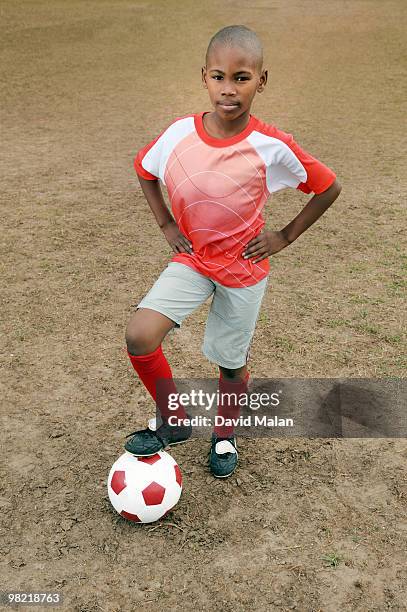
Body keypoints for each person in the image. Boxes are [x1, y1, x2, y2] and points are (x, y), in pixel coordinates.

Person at [124, 25, 342, 478]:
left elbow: (327, 187)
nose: (228, 89)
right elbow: (145, 168)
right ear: (204, 76)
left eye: (241, 78)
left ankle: (225, 433)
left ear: (261, 81)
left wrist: (284, 236)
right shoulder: (179, 133)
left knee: (229, 362)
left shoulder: (271, 144)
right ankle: (176, 419)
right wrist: (166, 223)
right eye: (219, 77)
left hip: (243, 267)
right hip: (194, 258)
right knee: (140, 335)